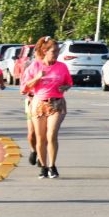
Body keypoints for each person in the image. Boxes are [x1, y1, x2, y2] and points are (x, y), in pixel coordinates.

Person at [22, 36, 72, 179]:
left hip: (56, 103)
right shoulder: (35, 66)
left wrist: (65, 87)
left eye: (57, 51)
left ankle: (52, 166)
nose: (56, 54)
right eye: (53, 51)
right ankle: (43, 166)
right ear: (45, 51)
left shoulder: (62, 66)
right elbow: (25, 87)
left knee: (52, 135)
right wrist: (38, 77)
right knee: (40, 137)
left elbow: (69, 82)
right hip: (39, 103)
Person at [17, 44, 42, 166]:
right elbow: (23, 89)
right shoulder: (30, 67)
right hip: (31, 101)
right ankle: (33, 150)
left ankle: (42, 157)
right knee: (31, 133)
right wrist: (37, 79)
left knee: (44, 133)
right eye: (39, 52)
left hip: (47, 103)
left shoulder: (54, 67)